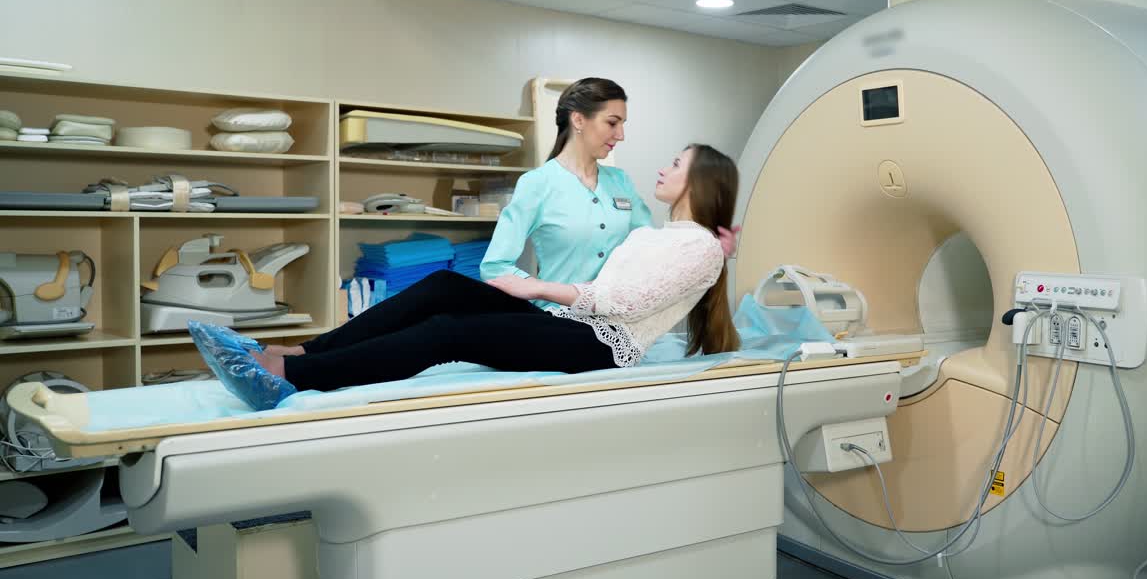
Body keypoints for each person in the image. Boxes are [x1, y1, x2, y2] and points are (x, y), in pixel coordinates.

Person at [191, 144, 743, 411]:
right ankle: (307, 350)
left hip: (604, 345)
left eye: (678, 162)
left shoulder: (697, 247)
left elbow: (624, 300)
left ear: (702, 180)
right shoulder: (665, 236)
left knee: (449, 332)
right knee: (443, 288)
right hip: (573, 323)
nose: (665, 167)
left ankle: (294, 376)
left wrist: (535, 287)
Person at [475, 77, 737, 308]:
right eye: (612, 123)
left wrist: (709, 249)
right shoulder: (537, 183)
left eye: (623, 124)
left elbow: (649, 249)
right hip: (560, 319)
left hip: (620, 322)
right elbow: (495, 267)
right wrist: (536, 288)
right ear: (578, 119)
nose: (621, 134)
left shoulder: (620, 181)